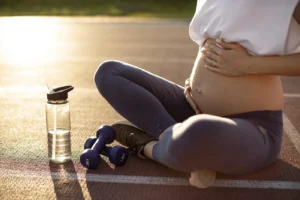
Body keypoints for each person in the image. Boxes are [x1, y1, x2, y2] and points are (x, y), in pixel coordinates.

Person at [94, 0, 300, 188]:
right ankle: (175, 141)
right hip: (191, 106)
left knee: (197, 130)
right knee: (108, 73)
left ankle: (149, 146)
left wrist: (248, 64)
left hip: (253, 127)